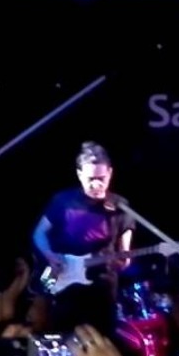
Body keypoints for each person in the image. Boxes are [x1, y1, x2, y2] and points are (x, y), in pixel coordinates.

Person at [32, 142, 135, 334]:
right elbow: (39, 234)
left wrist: (124, 260)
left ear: (110, 173)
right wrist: (50, 256)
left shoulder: (120, 205)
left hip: (101, 283)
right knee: (58, 330)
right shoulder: (62, 200)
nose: (96, 184)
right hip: (60, 276)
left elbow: (125, 252)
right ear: (79, 174)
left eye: (101, 178)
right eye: (90, 179)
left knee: (101, 335)